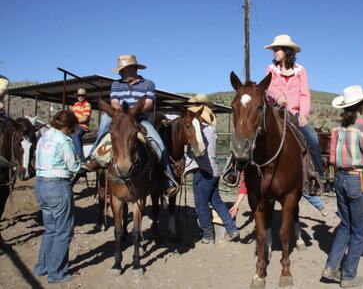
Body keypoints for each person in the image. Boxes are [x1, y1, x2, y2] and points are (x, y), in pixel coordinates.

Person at [82, 54, 178, 197]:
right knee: (104, 121)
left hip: (138, 118)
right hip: (119, 117)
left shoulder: (148, 84)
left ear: (132, 69)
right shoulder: (116, 84)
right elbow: (114, 103)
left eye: (122, 70)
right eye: (120, 70)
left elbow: (148, 103)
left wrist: (132, 113)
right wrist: (122, 115)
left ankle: (167, 180)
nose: (120, 73)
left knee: (158, 143)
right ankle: (94, 158)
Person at [322, 85, 363, 288]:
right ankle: (349, 275)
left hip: (340, 178)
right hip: (358, 178)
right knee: (359, 231)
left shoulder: (337, 129)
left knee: (345, 226)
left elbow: (332, 158)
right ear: (362, 105)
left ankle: (331, 267)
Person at [264, 34, 327, 209]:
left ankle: (316, 177)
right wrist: (278, 96)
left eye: (277, 49)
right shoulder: (270, 69)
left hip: (296, 114)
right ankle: (237, 169)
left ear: (287, 51)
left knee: (313, 139)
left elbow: (304, 94)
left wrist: (304, 114)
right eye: (274, 49)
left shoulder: (300, 70)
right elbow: (269, 87)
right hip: (275, 112)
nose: (274, 52)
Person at [33, 110, 81, 284]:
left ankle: (42, 266)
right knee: (63, 230)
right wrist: (86, 164)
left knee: (50, 229)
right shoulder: (64, 140)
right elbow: (74, 166)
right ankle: (57, 273)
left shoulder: (44, 138)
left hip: (40, 185)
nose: (73, 131)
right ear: (67, 126)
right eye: (73, 128)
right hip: (58, 186)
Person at [184, 94, 239, 244]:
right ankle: (232, 228)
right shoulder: (211, 129)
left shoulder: (200, 130)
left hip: (204, 172)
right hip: (214, 171)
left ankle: (208, 235)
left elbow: (197, 150)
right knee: (217, 202)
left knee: (201, 204)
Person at [70, 88, 91, 160]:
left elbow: (84, 119)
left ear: (85, 96)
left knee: (75, 134)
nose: (80, 97)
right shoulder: (75, 105)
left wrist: (74, 121)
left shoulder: (87, 105)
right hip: (74, 125)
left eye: (82, 95)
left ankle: (79, 156)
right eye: (79, 95)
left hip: (82, 126)